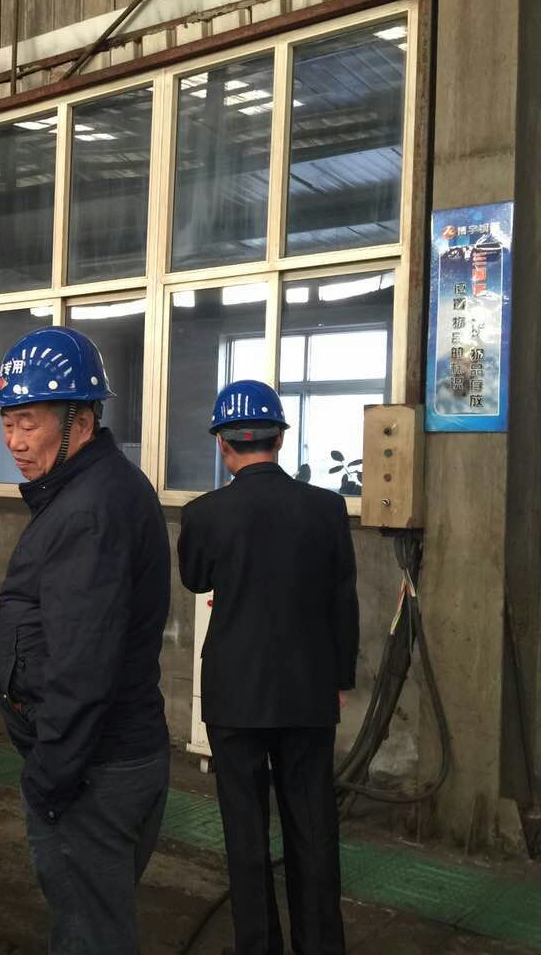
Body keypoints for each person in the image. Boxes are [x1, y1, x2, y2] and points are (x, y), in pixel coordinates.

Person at [0, 326, 171, 954]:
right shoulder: (93, 490)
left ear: (82, 421)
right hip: (110, 757)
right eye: (7, 422)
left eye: (29, 423)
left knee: (90, 935)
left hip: (94, 770)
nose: (15, 441)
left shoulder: (88, 510)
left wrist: (48, 779)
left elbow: (83, 667)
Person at [177, 379, 358, 955]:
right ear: (280, 438)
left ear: (222, 444)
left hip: (235, 695)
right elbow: (343, 601)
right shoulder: (327, 509)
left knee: (245, 834)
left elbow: (196, 579)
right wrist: (340, 680)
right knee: (314, 831)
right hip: (309, 692)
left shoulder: (204, 513)